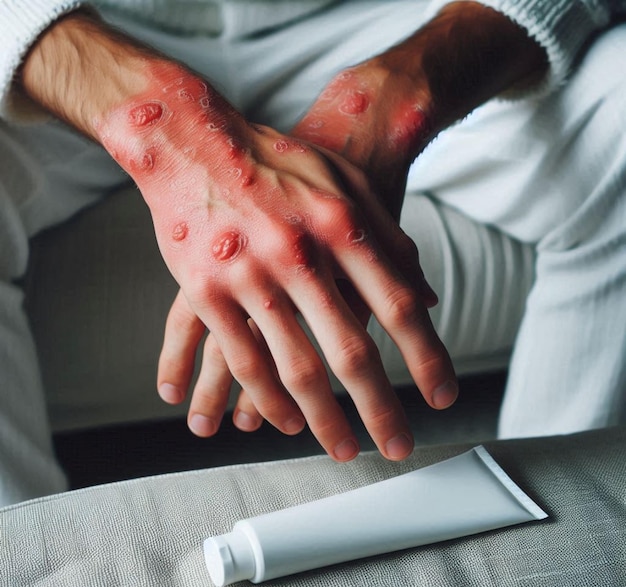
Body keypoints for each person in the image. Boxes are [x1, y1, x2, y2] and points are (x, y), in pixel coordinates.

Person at [0, 0, 624, 506]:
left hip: (399, 20)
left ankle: (569, 528)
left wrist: (394, 97)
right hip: (77, 31)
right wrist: (165, 126)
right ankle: (28, 575)